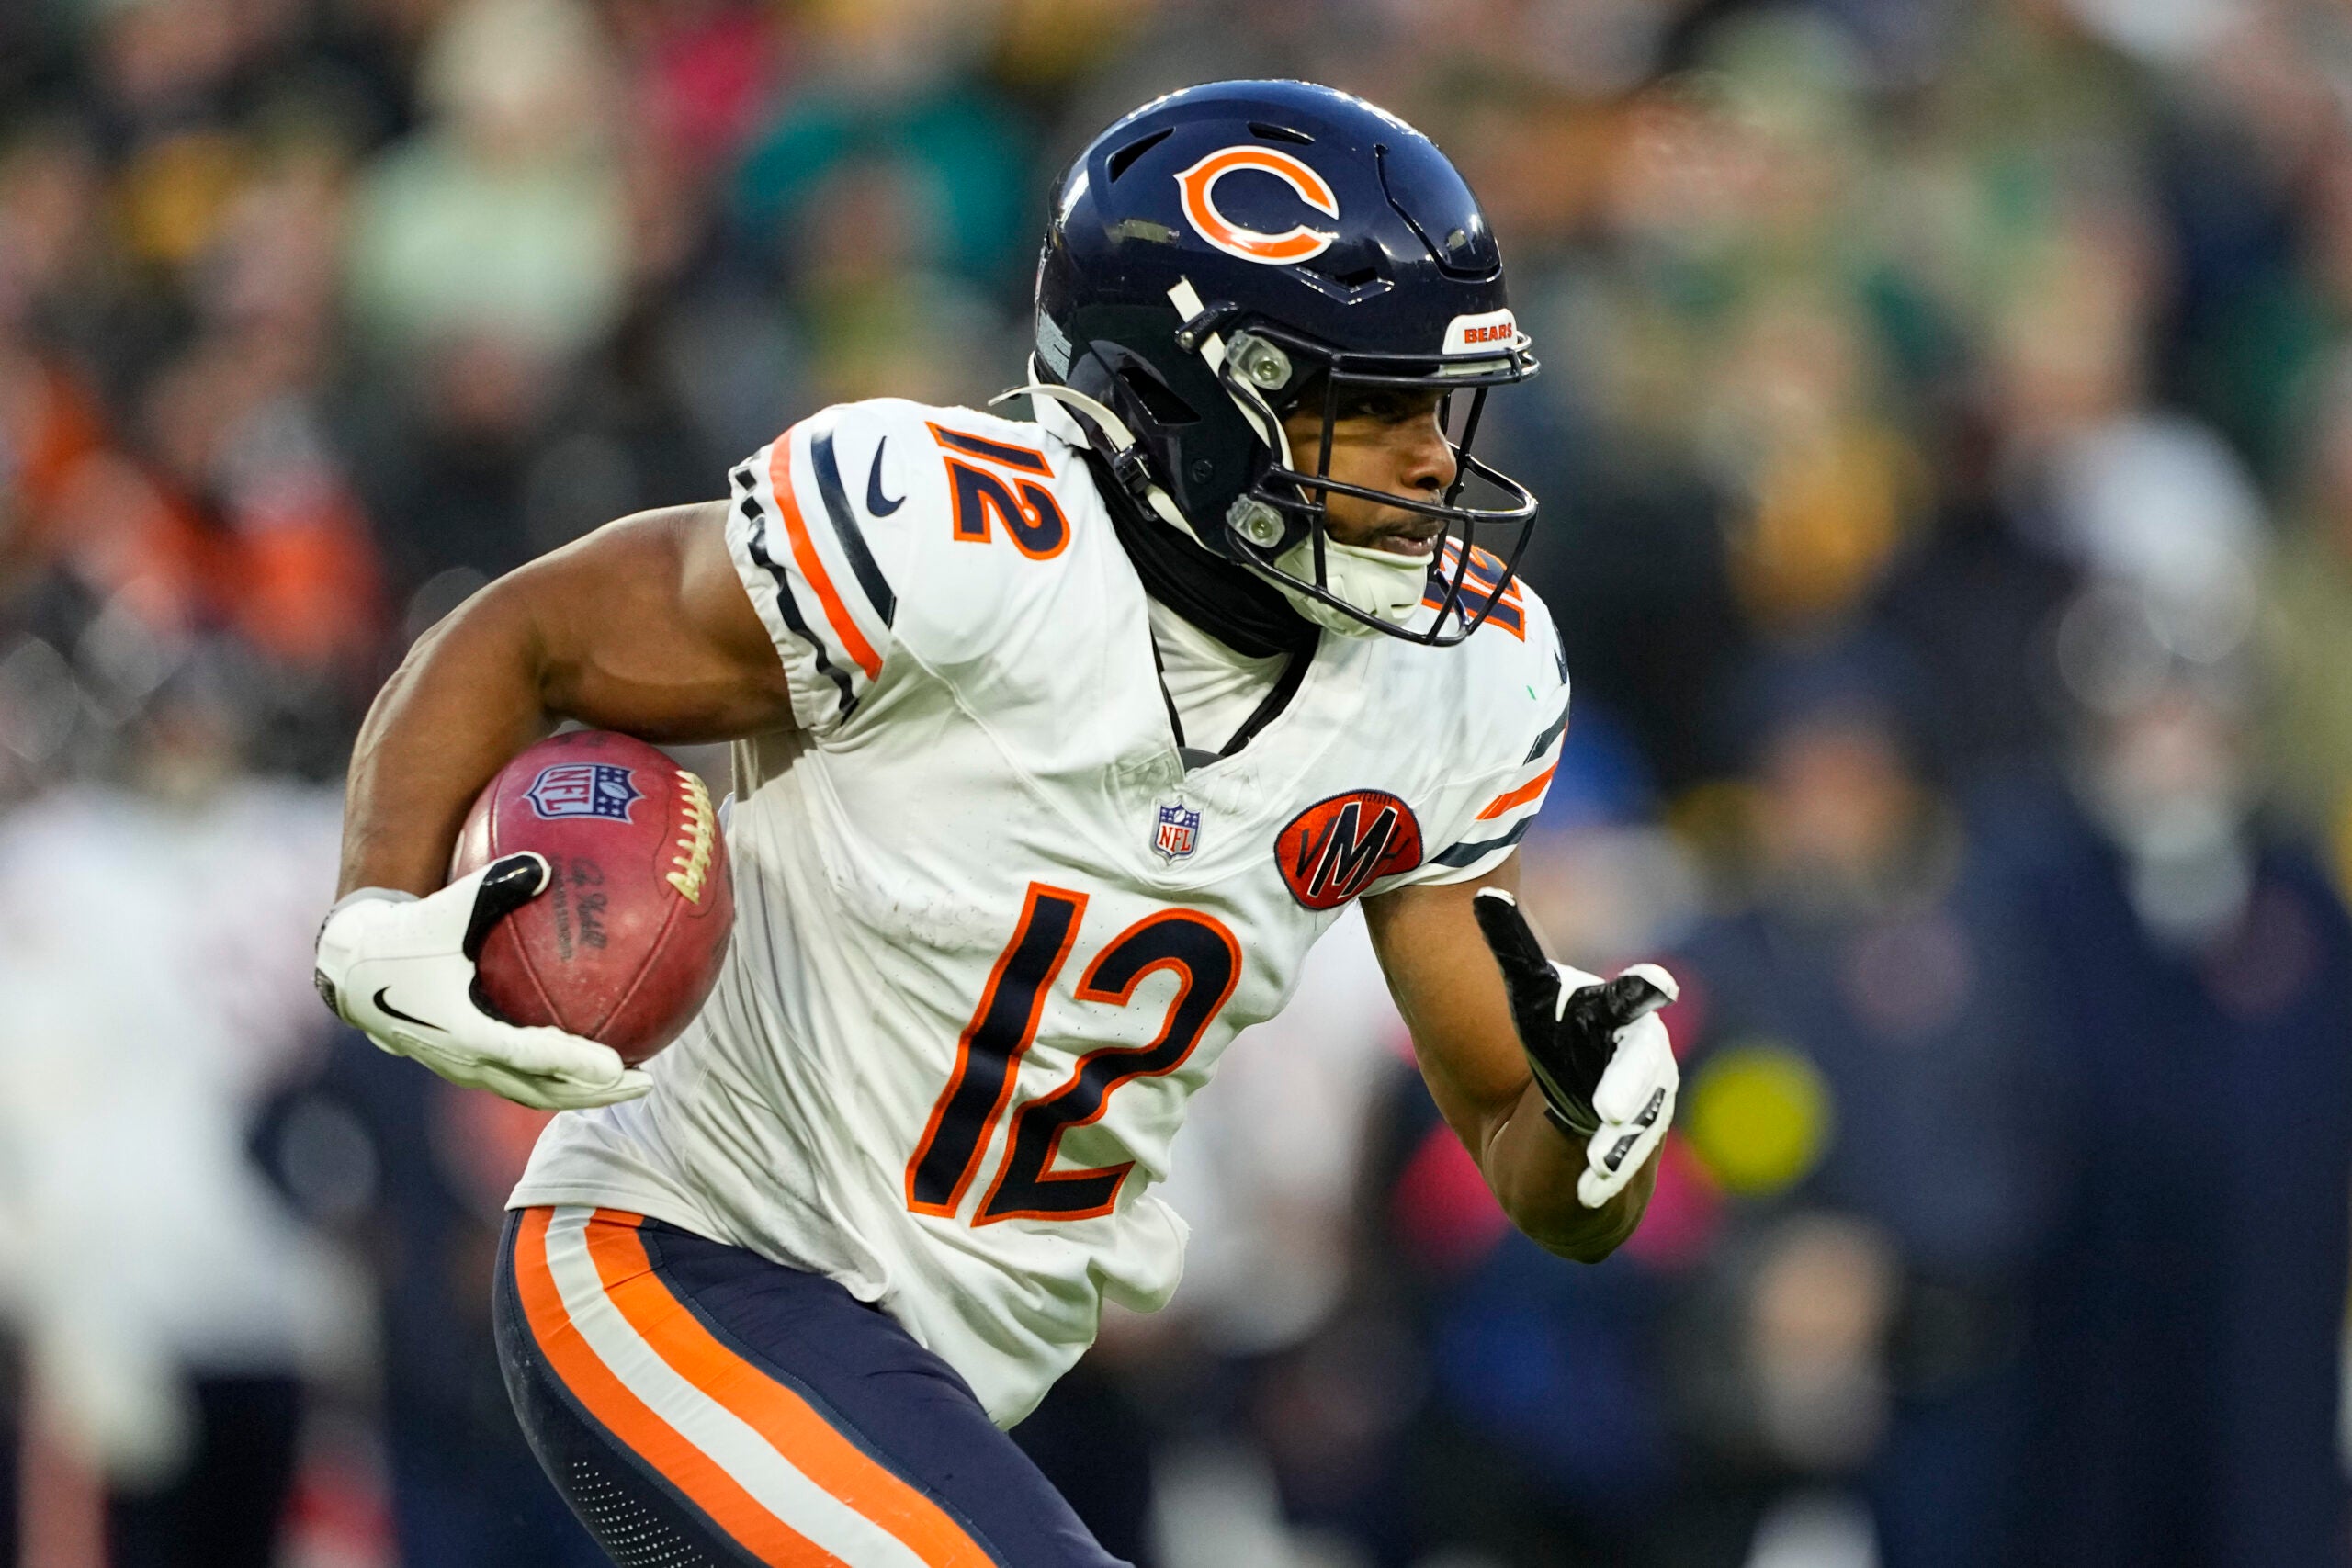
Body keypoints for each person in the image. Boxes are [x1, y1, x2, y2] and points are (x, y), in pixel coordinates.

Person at [311, 81, 1682, 1566]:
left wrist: (1591, 1130)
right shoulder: (962, 543)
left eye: (1440, 402)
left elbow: (1508, 1132)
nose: (1430, 457)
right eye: (1370, 403)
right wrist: (380, 901)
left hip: (941, 1387)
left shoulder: (1454, 680)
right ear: (1189, 399)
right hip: (681, 1257)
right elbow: (530, 632)